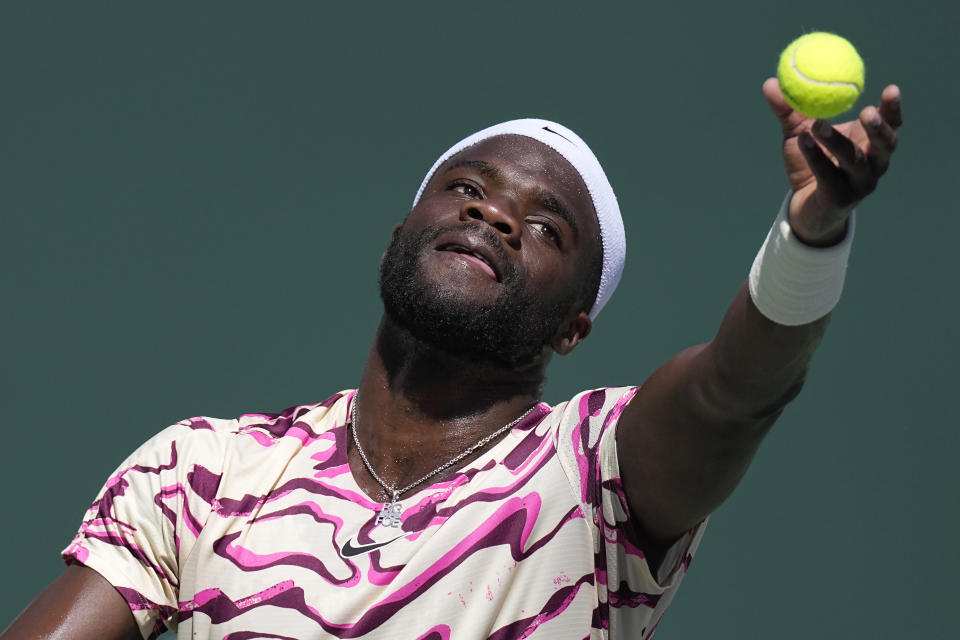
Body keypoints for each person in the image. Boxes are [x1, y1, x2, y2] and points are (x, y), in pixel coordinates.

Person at [2, 78, 902, 640]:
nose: (496, 215)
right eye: (467, 189)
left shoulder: (598, 477)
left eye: (546, 227)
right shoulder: (203, 471)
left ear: (572, 328)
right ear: (399, 238)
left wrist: (811, 233)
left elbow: (735, 392)